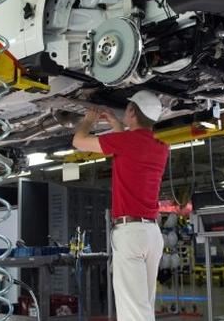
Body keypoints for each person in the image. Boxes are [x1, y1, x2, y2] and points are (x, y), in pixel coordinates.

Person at [72, 90, 169, 321]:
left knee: (134, 310)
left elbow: (78, 142)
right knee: (143, 304)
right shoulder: (160, 148)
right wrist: (117, 125)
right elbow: (128, 147)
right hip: (151, 234)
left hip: (131, 233)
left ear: (132, 111)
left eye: (127, 107)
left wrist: (87, 121)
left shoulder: (125, 142)